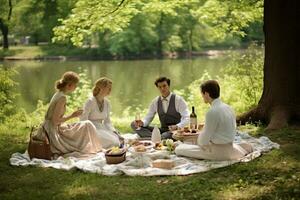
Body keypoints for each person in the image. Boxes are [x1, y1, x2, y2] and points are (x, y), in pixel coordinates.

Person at [175, 80, 253, 160]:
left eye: (202, 94)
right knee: (192, 142)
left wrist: (200, 139)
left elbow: (202, 142)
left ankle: (180, 146)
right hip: (230, 146)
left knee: (179, 149)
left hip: (218, 152)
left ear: (206, 94)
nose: (202, 96)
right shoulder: (228, 108)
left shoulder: (212, 112)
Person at [43, 71, 102, 158]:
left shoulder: (58, 94)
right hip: (52, 133)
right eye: (75, 84)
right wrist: (72, 115)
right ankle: (96, 149)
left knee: (86, 124)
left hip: (51, 128)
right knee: (87, 125)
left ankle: (95, 148)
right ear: (69, 85)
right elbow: (55, 121)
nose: (76, 87)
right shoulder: (62, 98)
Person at [80, 77, 123, 149]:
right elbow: (83, 120)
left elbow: (107, 121)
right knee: (113, 142)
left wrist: (113, 130)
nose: (110, 90)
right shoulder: (90, 101)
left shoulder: (107, 103)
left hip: (101, 128)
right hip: (90, 130)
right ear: (101, 88)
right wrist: (91, 132)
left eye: (111, 88)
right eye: (108, 88)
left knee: (118, 139)